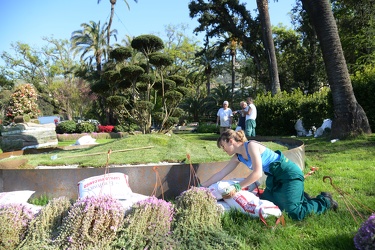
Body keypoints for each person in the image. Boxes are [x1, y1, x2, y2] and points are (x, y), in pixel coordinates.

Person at [200, 129, 338, 221]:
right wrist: (201, 186)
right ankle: (301, 197)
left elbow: (257, 173)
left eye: (223, 146)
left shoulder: (251, 146)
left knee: (294, 213)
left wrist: (237, 187)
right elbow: (221, 173)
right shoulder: (238, 157)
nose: (223, 150)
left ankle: (325, 201)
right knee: (270, 204)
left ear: (231, 141)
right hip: (275, 178)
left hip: (288, 174)